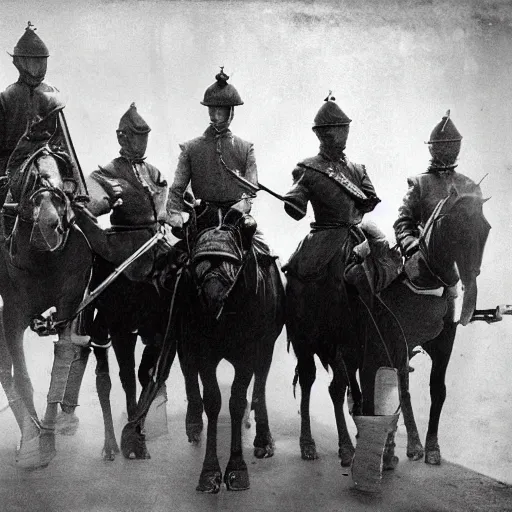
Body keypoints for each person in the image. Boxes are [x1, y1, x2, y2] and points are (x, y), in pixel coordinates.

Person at [166, 68, 272, 259]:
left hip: (236, 222)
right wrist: (174, 214)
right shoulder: (190, 148)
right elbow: (177, 188)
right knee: (169, 266)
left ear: (230, 112)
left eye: (220, 110)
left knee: (267, 257)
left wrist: (241, 206)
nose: (214, 114)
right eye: (211, 109)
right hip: (201, 220)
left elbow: (251, 189)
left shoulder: (246, 148)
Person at [393, 110, 482, 259]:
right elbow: (403, 221)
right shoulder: (420, 184)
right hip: (425, 261)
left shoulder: (470, 186)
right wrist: (410, 243)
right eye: (443, 146)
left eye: (450, 146)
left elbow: (478, 229)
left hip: (461, 264)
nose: (447, 151)